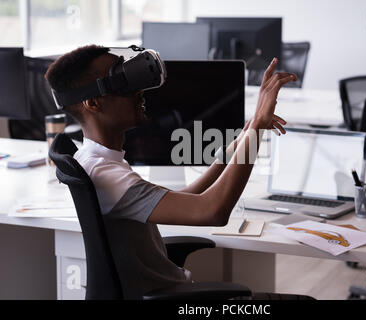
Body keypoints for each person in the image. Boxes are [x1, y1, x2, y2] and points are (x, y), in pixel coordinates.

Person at [45, 45, 312, 300]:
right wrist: (257, 131)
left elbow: (189, 197)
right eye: (121, 83)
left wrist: (249, 128)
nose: (139, 91)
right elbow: (213, 211)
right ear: (93, 103)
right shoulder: (108, 176)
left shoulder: (95, 161)